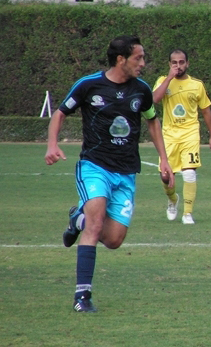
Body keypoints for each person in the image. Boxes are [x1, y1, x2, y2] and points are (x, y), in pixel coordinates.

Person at [44, 36, 174, 312]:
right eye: (138, 58)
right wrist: (52, 144)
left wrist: (164, 159)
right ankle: (82, 296)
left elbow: (152, 120)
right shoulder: (88, 85)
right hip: (94, 166)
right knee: (95, 223)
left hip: (126, 171)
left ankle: (76, 218)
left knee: (114, 240)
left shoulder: (141, 90)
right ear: (120, 59)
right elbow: (59, 114)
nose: (143, 63)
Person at [152, 49, 211, 225]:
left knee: (189, 173)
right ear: (169, 65)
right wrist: (168, 78)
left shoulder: (197, 85)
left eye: (181, 62)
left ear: (187, 64)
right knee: (166, 176)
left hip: (190, 134)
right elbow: (155, 100)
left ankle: (187, 213)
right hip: (168, 136)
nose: (178, 66)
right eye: (174, 63)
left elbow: (206, 110)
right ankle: (173, 200)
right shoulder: (162, 81)